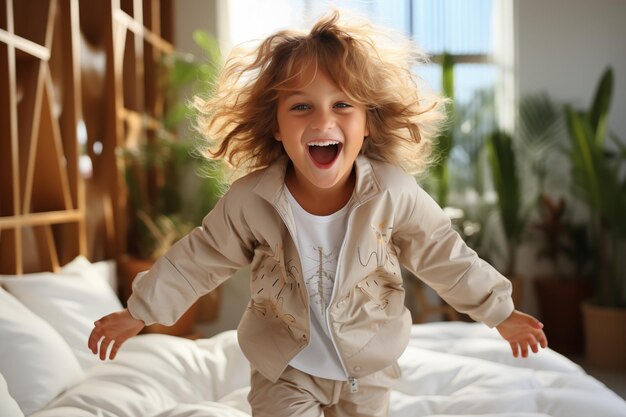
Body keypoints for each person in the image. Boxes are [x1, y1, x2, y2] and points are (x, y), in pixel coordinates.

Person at [89, 10, 548, 417]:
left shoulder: (392, 192)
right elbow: (201, 256)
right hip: (282, 367)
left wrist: (499, 311)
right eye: (301, 106)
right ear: (276, 126)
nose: (322, 121)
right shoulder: (253, 199)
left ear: (367, 123)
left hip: (367, 367)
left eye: (342, 105)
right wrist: (141, 309)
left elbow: (443, 254)